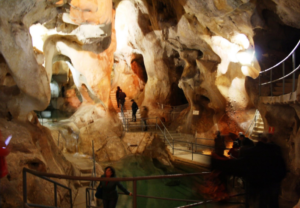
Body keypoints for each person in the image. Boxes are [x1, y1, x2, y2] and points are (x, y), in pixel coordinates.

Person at [212, 135, 286, 208]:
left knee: (257, 202)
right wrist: (276, 180)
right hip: (272, 184)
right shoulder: (275, 153)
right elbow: (282, 169)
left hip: (256, 183)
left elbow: (240, 165)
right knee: (271, 202)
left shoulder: (251, 152)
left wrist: (219, 163)